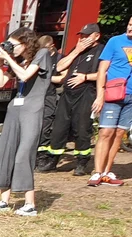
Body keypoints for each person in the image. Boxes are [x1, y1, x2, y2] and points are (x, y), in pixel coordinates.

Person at [0, 28, 51, 216]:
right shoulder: (18, 61)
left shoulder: (42, 54)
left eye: (13, 45)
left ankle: (29, 204)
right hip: (15, 109)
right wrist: (0, 62)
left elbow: (25, 76)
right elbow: (0, 84)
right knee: (6, 152)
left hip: (32, 110)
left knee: (24, 154)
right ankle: (3, 200)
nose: (11, 48)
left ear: (26, 43)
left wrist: (7, 57)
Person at [40, 24, 102, 175]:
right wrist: (76, 51)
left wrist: (85, 77)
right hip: (68, 94)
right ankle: (53, 160)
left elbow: (104, 74)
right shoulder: (78, 50)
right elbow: (60, 67)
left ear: (96, 36)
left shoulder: (101, 51)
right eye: (82, 35)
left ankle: (81, 162)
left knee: (81, 128)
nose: (83, 38)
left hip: (86, 93)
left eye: (87, 36)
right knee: (59, 127)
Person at [89, 16, 132, 187]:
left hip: (131, 97)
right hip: (113, 94)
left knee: (119, 134)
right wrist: (100, 95)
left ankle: (107, 172)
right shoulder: (115, 41)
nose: (130, 29)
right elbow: (102, 69)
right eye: (129, 25)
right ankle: (97, 173)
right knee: (106, 132)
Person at [34, 34, 59, 159]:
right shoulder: (39, 58)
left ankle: (42, 157)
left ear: (52, 47)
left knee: (45, 125)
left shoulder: (58, 58)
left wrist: (46, 79)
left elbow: (64, 77)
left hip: (50, 95)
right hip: (37, 95)